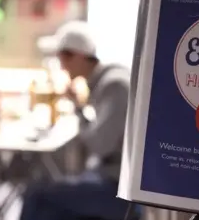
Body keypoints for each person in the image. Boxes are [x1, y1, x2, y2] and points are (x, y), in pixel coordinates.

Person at [20, 21, 132, 220]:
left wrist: (79, 110)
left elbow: (100, 146)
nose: (61, 66)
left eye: (62, 58)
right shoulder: (108, 80)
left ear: (78, 56)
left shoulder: (114, 85)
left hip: (119, 188)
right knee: (48, 197)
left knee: (37, 195)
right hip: (114, 178)